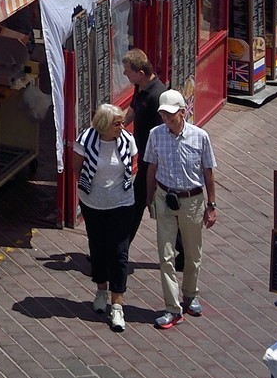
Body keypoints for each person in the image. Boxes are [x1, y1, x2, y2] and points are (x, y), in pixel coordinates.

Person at [143, 89, 217, 327]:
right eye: (164, 115)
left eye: (171, 115)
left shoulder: (200, 136)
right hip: (165, 198)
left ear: (183, 112)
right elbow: (151, 169)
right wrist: (149, 199)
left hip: (192, 200)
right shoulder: (155, 135)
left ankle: (191, 293)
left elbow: (208, 172)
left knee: (192, 254)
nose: (167, 119)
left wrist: (211, 205)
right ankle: (172, 308)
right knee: (165, 257)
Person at [74, 101, 138, 332]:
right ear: (103, 124)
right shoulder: (85, 141)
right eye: (117, 124)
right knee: (98, 248)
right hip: (93, 204)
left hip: (122, 204)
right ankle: (101, 290)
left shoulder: (127, 141)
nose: (122, 127)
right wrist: (91, 191)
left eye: (122, 123)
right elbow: (76, 169)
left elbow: (132, 165)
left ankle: (118, 305)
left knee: (119, 252)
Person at [120, 47, 166, 249]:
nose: (124, 74)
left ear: (140, 73)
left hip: (153, 161)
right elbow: (132, 110)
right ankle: (182, 251)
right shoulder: (141, 87)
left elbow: (164, 134)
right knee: (142, 204)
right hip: (145, 158)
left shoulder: (157, 96)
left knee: (138, 203)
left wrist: (154, 169)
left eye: (127, 71)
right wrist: (114, 124)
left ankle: (119, 248)